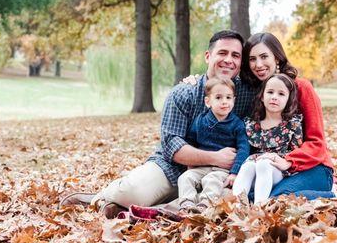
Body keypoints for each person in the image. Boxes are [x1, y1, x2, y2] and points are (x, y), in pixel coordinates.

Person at [59, 30, 255, 218]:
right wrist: (216, 158)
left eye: (235, 55)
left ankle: (137, 211)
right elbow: (172, 146)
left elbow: (275, 88)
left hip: (219, 175)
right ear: (207, 56)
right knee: (131, 191)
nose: (229, 60)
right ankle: (100, 198)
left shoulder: (246, 93)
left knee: (227, 201)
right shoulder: (183, 93)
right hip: (171, 168)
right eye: (222, 53)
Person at [242, 32, 335, 200]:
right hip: (273, 169)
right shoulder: (257, 93)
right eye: (252, 59)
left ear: (277, 58)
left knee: (276, 200)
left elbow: (317, 142)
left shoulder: (301, 87)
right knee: (251, 196)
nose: (258, 64)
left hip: (313, 168)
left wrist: (289, 161)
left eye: (264, 57)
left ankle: (331, 196)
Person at [177, 77, 249, 212]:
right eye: (218, 97)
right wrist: (190, 164)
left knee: (212, 180)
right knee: (185, 178)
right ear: (208, 101)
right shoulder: (200, 120)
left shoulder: (237, 124)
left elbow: (243, 149)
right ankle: (187, 204)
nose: (224, 102)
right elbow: (191, 140)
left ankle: (205, 204)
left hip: (222, 170)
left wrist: (234, 172)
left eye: (228, 97)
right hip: (201, 166)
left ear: (234, 100)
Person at [232, 74, 303, 203]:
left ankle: (260, 206)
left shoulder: (292, 124)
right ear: (262, 97)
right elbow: (244, 149)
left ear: (288, 99)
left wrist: (281, 160)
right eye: (270, 92)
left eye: (281, 94)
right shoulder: (251, 124)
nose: (274, 97)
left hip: (277, 170)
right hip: (254, 171)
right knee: (248, 166)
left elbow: (296, 151)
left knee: (264, 164)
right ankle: (237, 206)